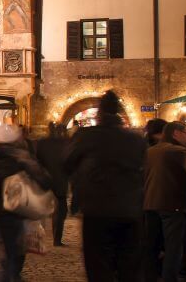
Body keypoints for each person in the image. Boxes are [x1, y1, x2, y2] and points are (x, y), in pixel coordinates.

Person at [64, 90, 147, 281]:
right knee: (129, 265)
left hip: (97, 210)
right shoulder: (135, 139)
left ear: (100, 113)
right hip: (130, 211)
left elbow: (67, 163)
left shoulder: (86, 136)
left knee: (99, 265)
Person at [0, 122, 50, 282]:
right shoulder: (20, 158)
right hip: (19, 211)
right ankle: (10, 276)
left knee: (10, 251)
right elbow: (45, 181)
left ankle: (11, 275)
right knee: (14, 253)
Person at [144, 120, 186, 282]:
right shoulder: (179, 152)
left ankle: (149, 276)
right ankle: (169, 278)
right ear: (176, 133)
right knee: (173, 248)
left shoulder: (151, 151)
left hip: (150, 203)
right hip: (172, 204)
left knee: (151, 246)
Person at [34, 122, 70, 246]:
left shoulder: (43, 143)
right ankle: (56, 239)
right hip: (59, 181)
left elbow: (37, 161)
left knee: (42, 210)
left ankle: (40, 237)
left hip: (45, 181)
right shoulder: (66, 144)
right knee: (61, 211)